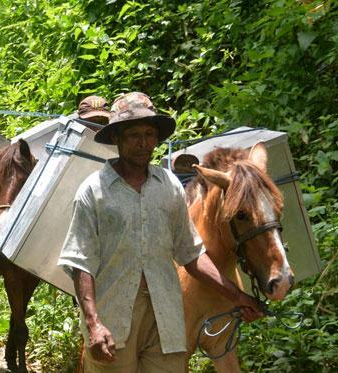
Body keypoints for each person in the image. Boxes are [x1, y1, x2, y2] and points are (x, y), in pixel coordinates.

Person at [58, 92, 264, 372]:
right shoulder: (94, 191)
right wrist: (94, 323)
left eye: (149, 133)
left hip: (165, 319)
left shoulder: (169, 185)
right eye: (133, 134)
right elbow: (81, 262)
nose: (143, 143)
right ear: (117, 137)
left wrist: (238, 297)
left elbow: (191, 254)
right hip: (113, 320)